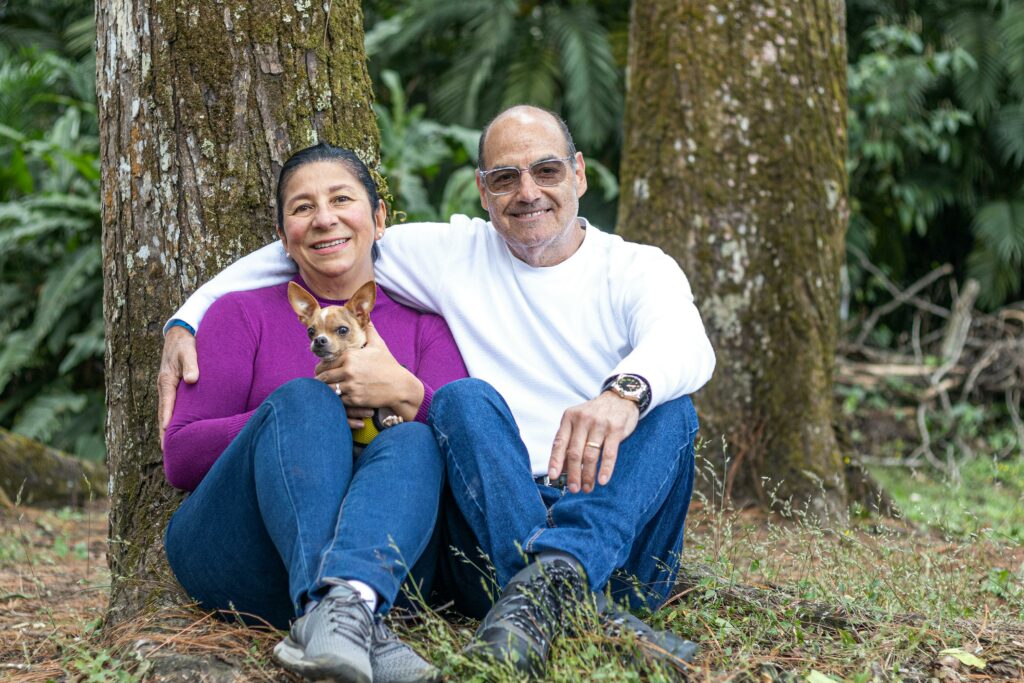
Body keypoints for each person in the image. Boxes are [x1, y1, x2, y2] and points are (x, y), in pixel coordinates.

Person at [160, 105, 716, 674]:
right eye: (505, 178)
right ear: (482, 190)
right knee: (462, 400)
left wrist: (622, 394)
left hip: (610, 522)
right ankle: (557, 600)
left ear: (578, 173)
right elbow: (322, 246)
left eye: (546, 171)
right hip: (500, 517)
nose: (527, 192)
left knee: (671, 408)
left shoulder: (637, 268)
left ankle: (552, 586)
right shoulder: (452, 255)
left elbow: (687, 344)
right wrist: (186, 315)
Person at [162, 143, 468, 683]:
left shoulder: (426, 326)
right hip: (239, 555)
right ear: (283, 236)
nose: (324, 218)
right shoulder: (239, 314)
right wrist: (288, 420)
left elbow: (460, 446)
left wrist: (400, 394)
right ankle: (342, 616)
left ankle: (343, 613)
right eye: (302, 207)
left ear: (378, 218)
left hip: (385, 564)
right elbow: (181, 457)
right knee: (307, 398)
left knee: (416, 439)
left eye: (341, 199)